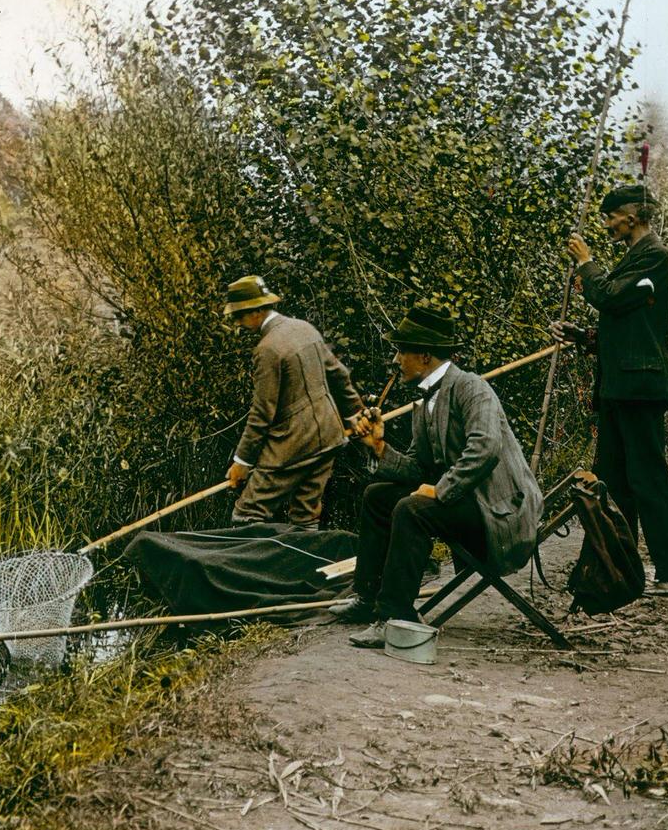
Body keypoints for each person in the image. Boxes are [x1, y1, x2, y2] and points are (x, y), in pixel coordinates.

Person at [336, 304, 544, 647]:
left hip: (499, 512)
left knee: (412, 509)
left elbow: (486, 448)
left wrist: (441, 490)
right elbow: (417, 468)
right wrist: (378, 448)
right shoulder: (425, 401)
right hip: (468, 502)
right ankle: (368, 599)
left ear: (425, 355)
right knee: (378, 497)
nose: (396, 359)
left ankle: (394, 616)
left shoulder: (471, 388)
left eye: (402, 351)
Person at [554, 183, 668, 598]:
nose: (607, 225)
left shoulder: (654, 256)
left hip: (639, 389)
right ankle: (613, 568)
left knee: (648, 482)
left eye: (611, 217)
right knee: (610, 482)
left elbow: (610, 298)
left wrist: (586, 263)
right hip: (619, 387)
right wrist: (582, 336)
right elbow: (629, 326)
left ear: (631, 217)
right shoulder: (637, 257)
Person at [223, 275, 365, 528]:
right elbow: (339, 374)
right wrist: (355, 412)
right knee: (306, 514)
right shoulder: (304, 328)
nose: (238, 323)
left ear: (255, 311)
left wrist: (242, 462)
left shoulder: (267, 350)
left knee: (246, 514)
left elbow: (261, 413)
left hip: (292, 446)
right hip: (328, 437)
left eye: (239, 316)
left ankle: (254, 567)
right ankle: (305, 566)